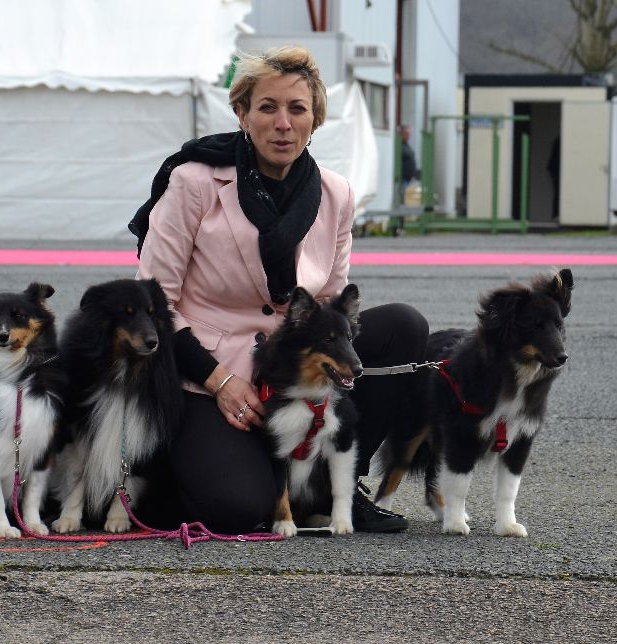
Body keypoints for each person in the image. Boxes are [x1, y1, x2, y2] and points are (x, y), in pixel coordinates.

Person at [129, 45, 428, 534]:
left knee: (403, 326)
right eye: (267, 107)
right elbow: (153, 301)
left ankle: (339, 485)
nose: (283, 123)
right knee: (241, 511)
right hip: (209, 371)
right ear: (242, 114)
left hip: (294, 371)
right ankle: (162, 470)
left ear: (316, 119)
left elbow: (330, 297)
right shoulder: (194, 182)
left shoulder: (336, 193)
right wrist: (220, 380)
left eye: (297, 109)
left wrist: (315, 377)